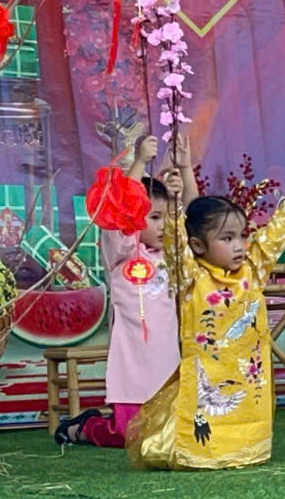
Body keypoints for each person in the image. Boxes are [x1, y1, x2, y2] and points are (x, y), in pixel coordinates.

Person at [126, 160, 285, 470]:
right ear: (198, 245)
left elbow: (276, 235)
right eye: (227, 238)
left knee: (248, 414)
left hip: (249, 376)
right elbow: (175, 246)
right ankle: (201, 453)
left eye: (241, 236)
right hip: (208, 377)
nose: (239, 246)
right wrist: (175, 209)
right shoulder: (192, 277)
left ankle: (247, 451)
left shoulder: (252, 268)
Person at [55, 135, 198, 447]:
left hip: (167, 360)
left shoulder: (173, 253)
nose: (163, 225)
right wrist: (140, 162)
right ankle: (83, 428)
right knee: (127, 435)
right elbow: (120, 210)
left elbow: (194, 217)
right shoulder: (120, 251)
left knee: (167, 436)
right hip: (130, 361)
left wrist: (185, 170)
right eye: (154, 217)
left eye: (166, 218)